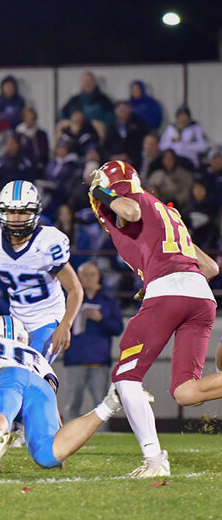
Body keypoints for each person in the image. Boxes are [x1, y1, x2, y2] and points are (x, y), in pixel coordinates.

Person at [88, 159, 222, 477]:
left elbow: (131, 212)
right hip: (201, 296)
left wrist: (100, 193)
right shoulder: (166, 210)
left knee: (125, 377)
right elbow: (211, 269)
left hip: (169, 292)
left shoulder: (127, 202)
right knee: (185, 391)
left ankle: (154, 460)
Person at [0, 315, 124, 475]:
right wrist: (60, 443)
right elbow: (51, 402)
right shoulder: (34, 354)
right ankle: (108, 405)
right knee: (47, 455)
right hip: (40, 385)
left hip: (5, 374)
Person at [0, 181, 83, 362]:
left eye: (23, 212)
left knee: (34, 369)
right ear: (1, 212)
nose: (16, 218)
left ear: (35, 212)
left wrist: (65, 324)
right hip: (15, 321)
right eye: (11, 211)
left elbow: (75, 289)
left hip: (47, 319)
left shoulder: (48, 243)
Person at [62, 262, 124, 421]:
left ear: (98, 277)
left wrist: (101, 319)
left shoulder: (108, 301)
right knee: (71, 403)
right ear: (78, 277)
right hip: (75, 360)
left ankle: (104, 436)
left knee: (102, 405)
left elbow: (118, 328)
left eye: (92, 274)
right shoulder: (68, 300)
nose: (88, 278)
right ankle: (69, 438)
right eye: (84, 274)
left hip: (99, 361)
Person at [58, 72, 114, 137]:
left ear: (95, 83)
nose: (88, 83)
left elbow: (110, 118)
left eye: (90, 81)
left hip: (94, 132)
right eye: (85, 81)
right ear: (81, 83)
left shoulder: (104, 100)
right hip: (74, 130)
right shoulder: (73, 100)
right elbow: (62, 115)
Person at [102, 102, 149, 168]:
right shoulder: (111, 126)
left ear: (130, 110)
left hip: (133, 159)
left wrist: (128, 156)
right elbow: (106, 145)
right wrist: (111, 157)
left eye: (125, 109)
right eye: (120, 109)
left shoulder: (138, 124)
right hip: (114, 158)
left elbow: (140, 143)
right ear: (115, 111)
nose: (122, 111)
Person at [15, 107, 50, 175]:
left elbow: (44, 152)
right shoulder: (18, 134)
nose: (29, 120)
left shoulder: (41, 134)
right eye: (27, 117)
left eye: (32, 118)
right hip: (21, 164)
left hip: (37, 165)